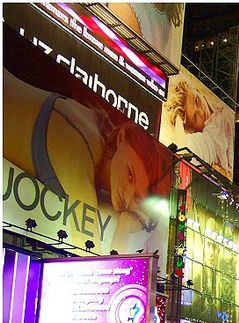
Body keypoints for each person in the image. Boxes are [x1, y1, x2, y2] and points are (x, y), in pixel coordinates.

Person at [3, 68, 171, 255]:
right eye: (130, 174)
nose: (127, 195)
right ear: (121, 137)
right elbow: (95, 263)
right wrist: (123, 226)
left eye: (137, 198)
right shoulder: (76, 148)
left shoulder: (95, 127)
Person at [165, 76, 235, 180]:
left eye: (197, 100)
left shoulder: (222, 106)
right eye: (196, 117)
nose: (202, 111)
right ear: (192, 130)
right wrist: (177, 116)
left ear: (198, 91)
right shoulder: (208, 139)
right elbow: (182, 150)